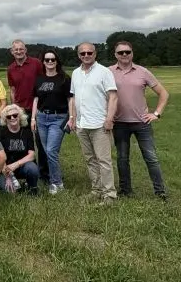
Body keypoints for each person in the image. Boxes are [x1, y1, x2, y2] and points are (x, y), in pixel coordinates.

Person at [110, 41, 170, 199]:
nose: (124, 55)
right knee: (122, 159)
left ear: (132, 53)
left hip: (142, 123)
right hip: (119, 123)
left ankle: (160, 191)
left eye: (127, 52)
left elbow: (163, 93)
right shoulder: (108, 72)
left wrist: (156, 113)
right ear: (115, 54)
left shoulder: (143, 72)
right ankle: (125, 190)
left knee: (151, 158)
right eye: (121, 52)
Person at [70, 42, 118, 205]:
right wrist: (73, 118)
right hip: (82, 125)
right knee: (90, 159)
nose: (86, 56)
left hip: (99, 124)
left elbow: (113, 97)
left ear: (95, 54)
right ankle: (96, 190)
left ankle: (109, 194)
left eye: (89, 53)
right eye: (82, 54)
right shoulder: (76, 73)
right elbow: (74, 98)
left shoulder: (104, 72)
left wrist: (109, 119)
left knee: (103, 160)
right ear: (78, 55)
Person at [31, 49, 73, 194]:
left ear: (57, 61)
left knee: (51, 151)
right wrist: (33, 118)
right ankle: (52, 179)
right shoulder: (39, 79)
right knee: (46, 150)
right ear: (43, 62)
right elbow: (36, 99)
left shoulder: (64, 79)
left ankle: (57, 183)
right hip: (42, 118)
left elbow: (70, 99)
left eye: (52, 59)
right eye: (47, 60)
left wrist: (71, 118)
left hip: (58, 118)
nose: (50, 62)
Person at [7, 39, 48, 181]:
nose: (18, 51)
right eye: (15, 49)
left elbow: (44, 82)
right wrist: (14, 109)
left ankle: (44, 173)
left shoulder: (36, 63)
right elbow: (12, 90)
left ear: (25, 50)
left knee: (40, 142)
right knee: (23, 141)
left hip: (37, 108)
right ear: (12, 52)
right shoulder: (11, 68)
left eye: (21, 49)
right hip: (21, 110)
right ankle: (26, 169)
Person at [0, 104, 39, 195]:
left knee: (32, 168)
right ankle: (4, 182)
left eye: (15, 115)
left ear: (19, 116)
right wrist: (7, 177)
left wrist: (16, 164)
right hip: (6, 169)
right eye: (9, 116)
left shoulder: (27, 132)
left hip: (23, 166)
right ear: (5, 119)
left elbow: (31, 155)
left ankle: (32, 187)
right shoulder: (0, 132)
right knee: (11, 193)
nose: (12, 118)